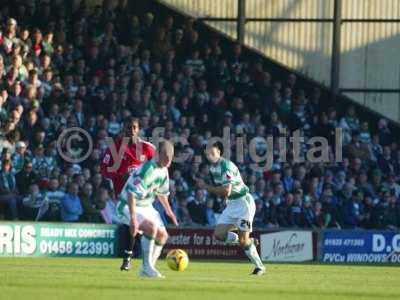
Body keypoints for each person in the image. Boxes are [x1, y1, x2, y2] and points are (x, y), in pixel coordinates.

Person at [195, 142, 265, 275]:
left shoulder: (226, 166)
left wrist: (205, 187)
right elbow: (225, 191)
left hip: (244, 204)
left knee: (244, 241)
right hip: (232, 204)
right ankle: (249, 242)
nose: (210, 156)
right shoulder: (212, 168)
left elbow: (226, 190)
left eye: (213, 153)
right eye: (208, 154)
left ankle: (260, 267)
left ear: (219, 152)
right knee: (219, 235)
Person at [100, 116, 155, 271]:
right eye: (128, 127)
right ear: (123, 129)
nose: (131, 130)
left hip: (143, 196)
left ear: (138, 129)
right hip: (123, 196)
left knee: (140, 227)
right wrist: (120, 174)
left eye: (134, 127)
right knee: (133, 224)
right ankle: (130, 258)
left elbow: (158, 169)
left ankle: (131, 259)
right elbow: (103, 169)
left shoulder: (148, 148)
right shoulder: (114, 148)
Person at [117, 140, 178, 278]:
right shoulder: (146, 170)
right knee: (151, 228)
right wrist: (133, 219)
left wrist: (169, 212)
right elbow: (131, 194)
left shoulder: (164, 171)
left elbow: (162, 194)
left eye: (171, 157)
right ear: (157, 154)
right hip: (127, 205)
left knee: (163, 236)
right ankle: (147, 267)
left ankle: (147, 269)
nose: (169, 159)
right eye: (166, 156)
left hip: (146, 205)